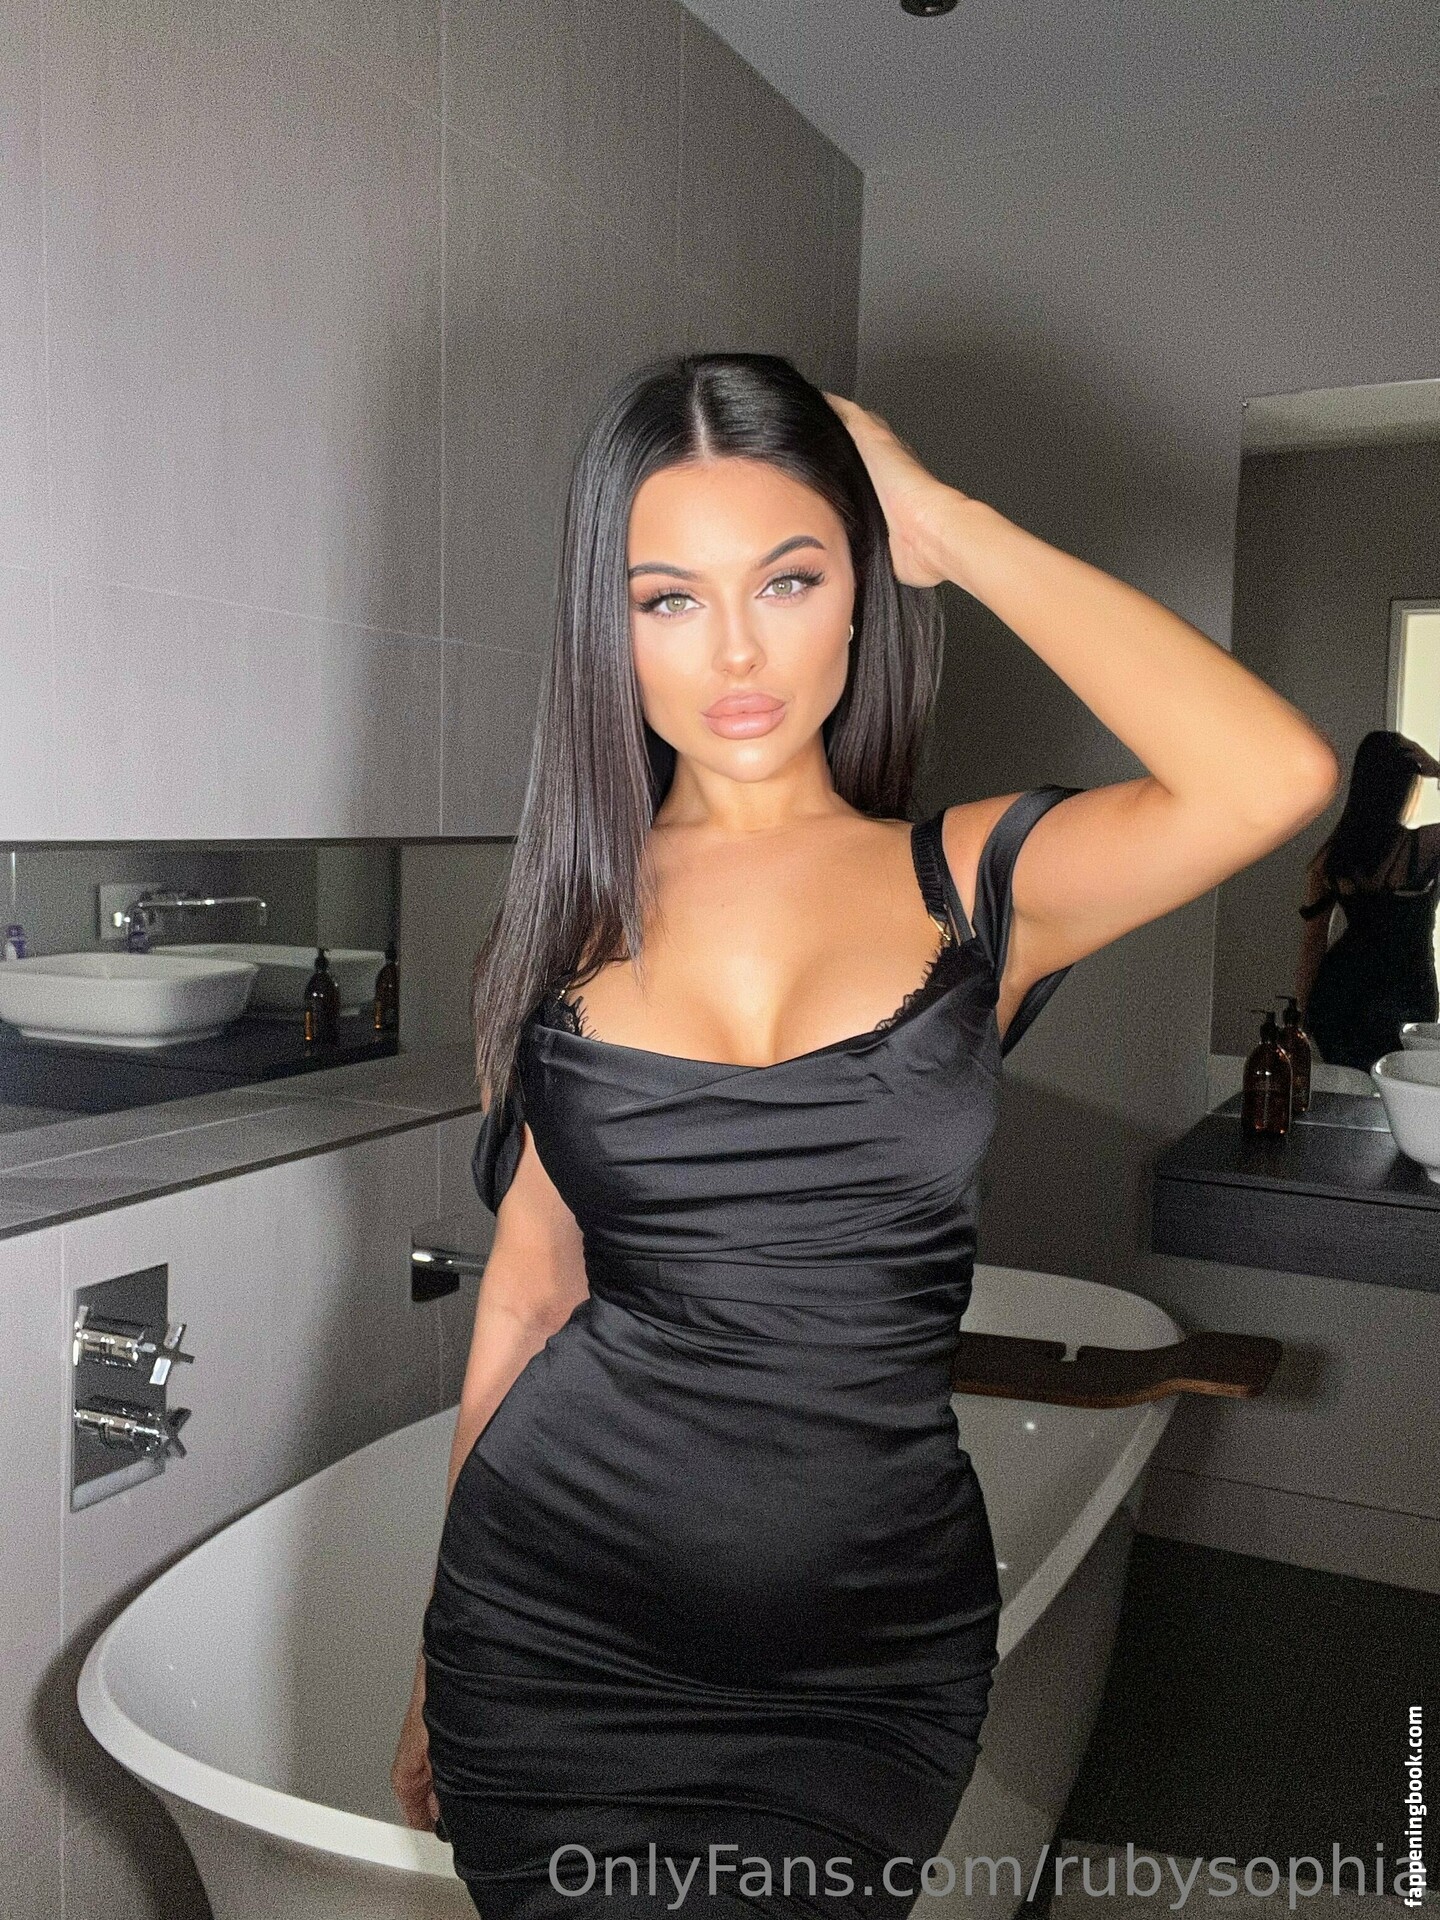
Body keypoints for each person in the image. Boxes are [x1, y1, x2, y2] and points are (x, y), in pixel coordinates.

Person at [392, 352, 1339, 1918]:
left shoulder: (975, 885)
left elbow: (1272, 775)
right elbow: (531, 1294)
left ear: (861, 592)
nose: (737, 649)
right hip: (552, 1624)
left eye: (789, 578)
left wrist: (950, 528)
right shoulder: (565, 927)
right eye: (669, 599)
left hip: (866, 1653)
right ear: (607, 631)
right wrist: (444, 1642)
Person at [1297, 730, 1440, 1070]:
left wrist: (1302, 1015)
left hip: (1341, 996)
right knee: (1399, 1090)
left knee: (1348, 1091)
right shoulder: (1426, 845)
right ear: (1404, 785)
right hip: (1408, 993)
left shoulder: (1332, 857)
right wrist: (1437, 770)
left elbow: (1313, 943)